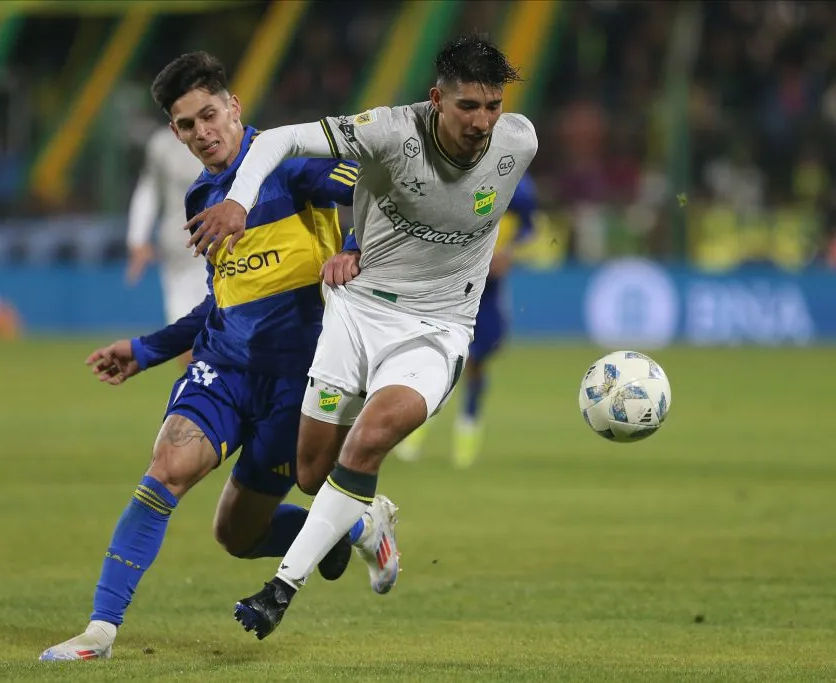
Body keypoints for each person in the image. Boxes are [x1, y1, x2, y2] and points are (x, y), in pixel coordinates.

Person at [39, 51, 397, 661]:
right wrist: (148, 350)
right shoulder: (202, 197)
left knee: (236, 534)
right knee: (166, 469)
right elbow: (222, 303)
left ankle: (359, 524)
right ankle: (99, 632)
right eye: (186, 125)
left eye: (209, 115)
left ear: (234, 108)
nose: (202, 133)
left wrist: (356, 246)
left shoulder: (294, 167)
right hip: (224, 368)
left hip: (300, 380)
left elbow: (375, 188)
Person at [185, 34, 538, 639]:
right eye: (467, 107)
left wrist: (353, 243)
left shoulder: (519, 141)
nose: (482, 122)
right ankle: (371, 523)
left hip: (438, 326)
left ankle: (280, 589)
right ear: (435, 101)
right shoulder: (388, 131)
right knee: (311, 471)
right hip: (356, 315)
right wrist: (241, 202)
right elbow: (275, 140)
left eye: (491, 106)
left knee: (371, 436)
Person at [394, 172, 538, 468]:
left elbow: (530, 229)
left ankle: (467, 430)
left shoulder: (518, 187)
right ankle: (417, 428)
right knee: (438, 356)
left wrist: (509, 253)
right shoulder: (455, 174)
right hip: (450, 280)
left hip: (488, 291)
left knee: (475, 363)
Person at [125, 123, 207, 368]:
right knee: (189, 345)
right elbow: (149, 190)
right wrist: (138, 239)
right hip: (179, 248)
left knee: (225, 337)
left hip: (225, 246)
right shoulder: (162, 144)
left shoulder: (230, 134)